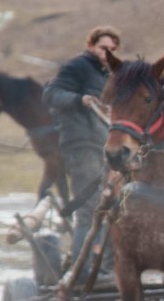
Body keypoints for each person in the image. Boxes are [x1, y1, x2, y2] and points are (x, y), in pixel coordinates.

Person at [43, 25, 120, 280]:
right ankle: (82, 273)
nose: (107, 53)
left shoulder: (107, 73)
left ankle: (107, 270)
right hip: (81, 143)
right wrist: (80, 100)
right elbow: (51, 94)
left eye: (112, 49)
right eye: (103, 48)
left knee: (114, 208)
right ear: (91, 46)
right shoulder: (77, 66)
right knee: (89, 210)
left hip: (103, 146)